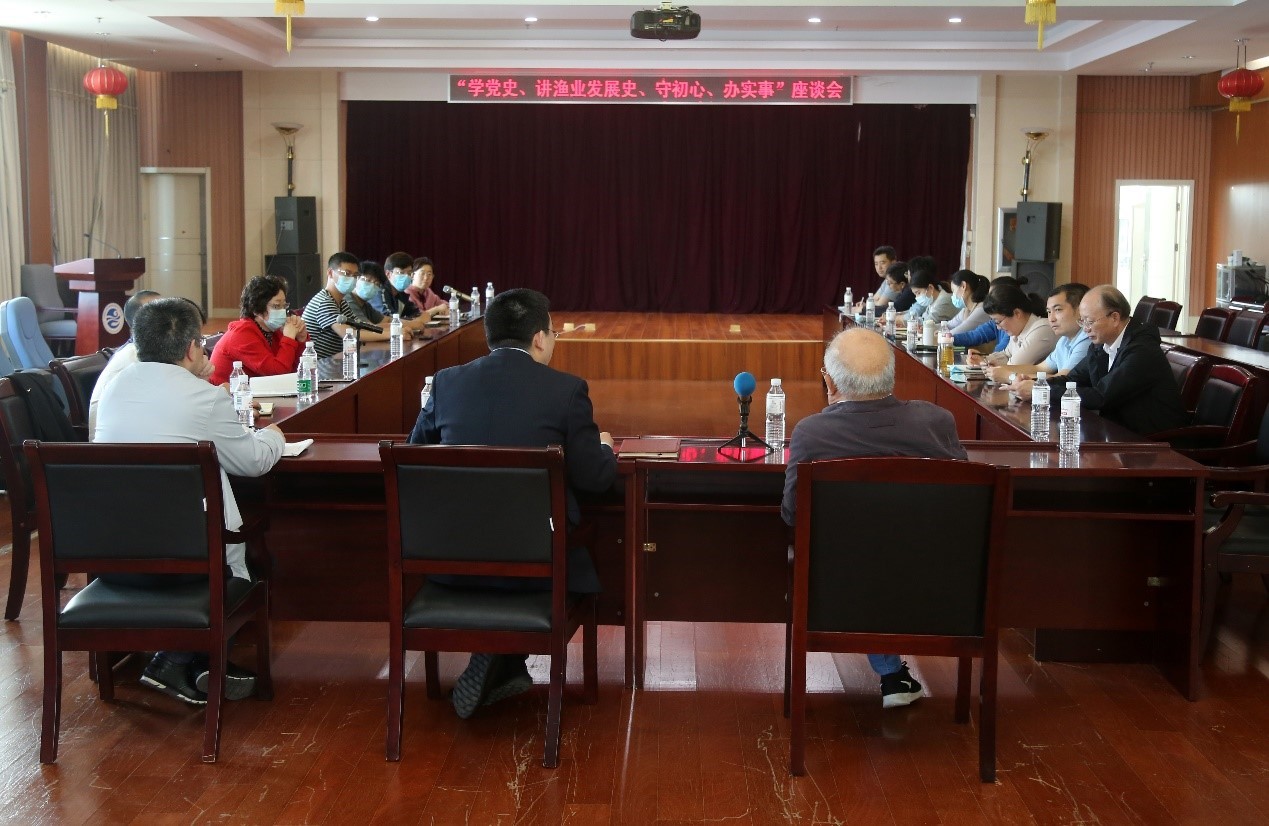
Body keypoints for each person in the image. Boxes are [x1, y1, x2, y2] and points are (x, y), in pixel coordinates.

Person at [408, 288, 617, 719]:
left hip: (453, 562)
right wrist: (605, 448)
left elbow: (414, 462)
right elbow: (595, 478)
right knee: (573, 538)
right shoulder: (566, 390)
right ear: (539, 338)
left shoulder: (446, 383)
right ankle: (503, 656)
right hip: (538, 569)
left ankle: (500, 659)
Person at [95, 297, 286, 706]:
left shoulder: (115, 386)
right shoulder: (202, 397)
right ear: (190, 348)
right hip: (185, 566)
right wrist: (275, 435)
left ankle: (197, 664)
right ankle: (176, 659)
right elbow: (253, 462)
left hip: (114, 556)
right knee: (242, 560)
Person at [782, 327, 966, 708]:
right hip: (939, 589)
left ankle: (892, 672)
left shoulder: (812, 434)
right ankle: (892, 674)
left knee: (864, 554)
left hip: (842, 595)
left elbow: (792, 514)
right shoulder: (937, 422)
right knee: (890, 549)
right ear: (891, 378)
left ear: (830, 382)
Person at [1049, 285, 1188, 435]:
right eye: (1082, 322)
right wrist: (1039, 384)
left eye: (1089, 322)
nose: (1085, 329)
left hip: (1153, 440)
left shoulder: (1142, 350)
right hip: (1117, 432)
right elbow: (1073, 379)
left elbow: (1101, 396)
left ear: (1114, 318)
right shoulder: (1100, 346)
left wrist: (1047, 391)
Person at [208, 275, 308, 386]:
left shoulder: (273, 330)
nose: (283, 312)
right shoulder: (242, 334)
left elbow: (297, 371)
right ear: (256, 309)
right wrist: (289, 338)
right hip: (227, 394)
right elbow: (278, 375)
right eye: (276, 306)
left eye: (284, 306)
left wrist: (300, 340)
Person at [88, 289, 161, 439]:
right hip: (113, 447)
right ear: (139, 323)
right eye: (159, 314)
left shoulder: (145, 351)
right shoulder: (136, 356)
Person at [997, 283, 1093, 392]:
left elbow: (1063, 379)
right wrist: (999, 369)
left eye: (1058, 310)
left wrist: (1010, 376)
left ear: (1082, 311)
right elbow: (1040, 368)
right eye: (1049, 312)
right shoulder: (1064, 339)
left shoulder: (1087, 338)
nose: (1051, 318)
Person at [970, 283, 1057, 367]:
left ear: (1017, 313)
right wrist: (983, 359)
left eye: (998, 321)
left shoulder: (1042, 330)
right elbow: (1007, 355)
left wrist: (988, 363)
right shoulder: (1019, 330)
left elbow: (1014, 365)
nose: (998, 327)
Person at [301, 252, 360, 359]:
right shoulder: (323, 301)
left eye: (355, 275)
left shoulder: (341, 302)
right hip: (319, 365)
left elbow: (360, 327)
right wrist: (389, 333)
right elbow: (349, 334)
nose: (352, 279)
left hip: (337, 359)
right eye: (347, 273)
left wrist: (389, 329)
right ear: (330, 273)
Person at [378, 251, 422, 322]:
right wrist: (414, 322)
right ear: (388, 274)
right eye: (401, 272)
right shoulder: (380, 292)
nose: (406, 276)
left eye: (409, 273)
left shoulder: (401, 294)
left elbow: (415, 313)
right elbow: (389, 318)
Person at [405, 256, 449, 321]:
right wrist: (437, 309)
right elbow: (415, 316)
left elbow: (445, 304)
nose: (426, 278)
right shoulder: (406, 293)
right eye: (422, 274)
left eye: (429, 274)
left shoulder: (428, 292)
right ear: (412, 275)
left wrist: (445, 308)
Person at [947, 270, 989, 334]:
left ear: (963, 286)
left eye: (953, 290)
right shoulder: (967, 309)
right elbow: (948, 325)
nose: (952, 296)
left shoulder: (981, 310)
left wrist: (940, 332)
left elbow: (955, 333)